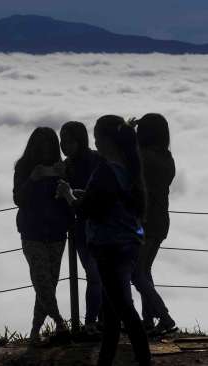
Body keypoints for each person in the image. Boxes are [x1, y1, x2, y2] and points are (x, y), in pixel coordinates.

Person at [58, 115, 152, 366]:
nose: (96, 143)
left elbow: (88, 210)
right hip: (129, 243)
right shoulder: (127, 167)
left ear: (107, 140)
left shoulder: (105, 170)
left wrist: (68, 194)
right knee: (112, 314)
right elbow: (108, 201)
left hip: (109, 246)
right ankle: (105, 360)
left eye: (98, 137)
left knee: (123, 310)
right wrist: (84, 195)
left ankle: (144, 360)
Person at [13, 127, 73, 344]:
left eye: (50, 144)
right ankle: (60, 323)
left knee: (47, 285)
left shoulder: (63, 167)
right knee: (43, 281)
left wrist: (64, 177)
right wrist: (32, 179)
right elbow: (19, 199)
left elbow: (72, 198)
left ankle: (34, 332)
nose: (46, 149)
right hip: (33, 233)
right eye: (41, 145)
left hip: (57, 233)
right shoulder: (23, 167)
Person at [131, 113, 177, 336]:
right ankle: (148, 320)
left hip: (143, 223)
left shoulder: (143, 157)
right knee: (144, 269)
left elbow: (125, 159)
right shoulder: (167, 158)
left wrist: (125, 134)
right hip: (160, 222)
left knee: (136, 273)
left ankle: (165, 317)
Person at [59, 121, 103, 335]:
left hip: (95, 225)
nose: (63, 145)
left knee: (97, 275)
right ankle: (94, 321)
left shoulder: (94, 161)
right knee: (96, 275)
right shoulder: (67, 166)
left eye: (68, 140)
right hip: (82, 228)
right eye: (62, 140)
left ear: (79, 140)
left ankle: (93, 322)